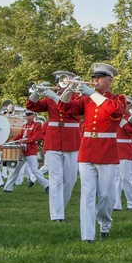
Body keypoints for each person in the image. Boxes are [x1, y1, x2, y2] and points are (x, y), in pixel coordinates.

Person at [62, 63, 126, 241]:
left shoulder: (118, 98)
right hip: (87, 148)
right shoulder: (86, 99)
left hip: (106, 149)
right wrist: (69, 89)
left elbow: (114, 111)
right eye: (94, 77)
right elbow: (66, 109)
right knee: (87, 194)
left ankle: (104, 222)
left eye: (99, 77)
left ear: (109, 80)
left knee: (107, 194)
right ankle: (87, 235)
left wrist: (92, 94)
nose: (95, 80)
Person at [26, 71, 83, 222]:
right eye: (58, 82)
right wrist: (36, 92)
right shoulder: (49, 99)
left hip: (72, 140)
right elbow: (31, 106)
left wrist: (52, 95)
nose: (58, 85)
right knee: (55, 179)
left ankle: (60, 208)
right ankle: (57, 215)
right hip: (53, 141)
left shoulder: (77, 97)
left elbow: (71, 109)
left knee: (70, 180)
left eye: (63, 82)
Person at [3, 110, 49, 193]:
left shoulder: (37, 125)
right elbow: (20, 135)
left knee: (34, 170)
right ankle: (8, 187)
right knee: (15, 169)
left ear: (33, 116)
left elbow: (35, 138)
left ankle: (47, 185)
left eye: (29, 115)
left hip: (31, 150)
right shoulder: (24, 125)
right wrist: (13, 140)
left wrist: (25, 141)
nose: (27, 117)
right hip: (22, 150)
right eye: (26, 115)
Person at [115, 98, 132, 210]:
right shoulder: (116, 116)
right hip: (115, 149)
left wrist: (123, 124)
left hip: (126, 149)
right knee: (116, 178)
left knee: (125, 178)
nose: (124, 106)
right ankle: (116, 204)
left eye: (126, 104)